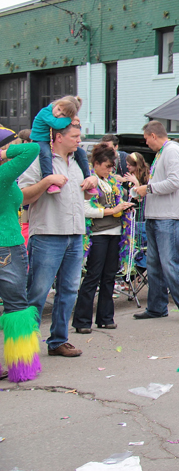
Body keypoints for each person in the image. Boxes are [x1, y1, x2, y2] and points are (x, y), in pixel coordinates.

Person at [19, 124, 88, 358]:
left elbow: (84, 195)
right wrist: (47, 180)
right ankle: (25, 345)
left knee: (68, 290)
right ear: (59, 137)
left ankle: (59, 340)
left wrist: (90, 187)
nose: (80, 140)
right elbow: (23, 194)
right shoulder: (39, 159)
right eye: (75, 136)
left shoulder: (78, 161)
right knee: (38, 292)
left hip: (75, 233)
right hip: (48, 233)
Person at [132, 121, 179, 324]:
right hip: (157, 215)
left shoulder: (171, 151)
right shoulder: (163, 152)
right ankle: (157, 306)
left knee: (169, 264)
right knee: (154, 264)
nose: (146, 143)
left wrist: (148, 188)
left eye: (146, 139)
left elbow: (175, 182)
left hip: (168, 216)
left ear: (153, 135)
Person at [72, 144, 134, 334]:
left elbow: (114, 205)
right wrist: (111, 211)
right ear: (96, 164)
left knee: (109, 277)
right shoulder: (90, 181)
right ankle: (82, 320)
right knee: (93, 276)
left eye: (111, 167)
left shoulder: (111, 182)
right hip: (98, 234)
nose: (109, 170)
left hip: (115, 233)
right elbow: (86, 209)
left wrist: (123, 208)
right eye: (107, 166)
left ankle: (106, 317)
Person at [0, 130, 42, 381]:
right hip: (7, 247)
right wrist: (5, 153)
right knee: (16, 307)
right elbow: (32, 149)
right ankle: (21, 366)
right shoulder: (3, 175)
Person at [29, 96, 93, 194]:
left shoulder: (59, 115)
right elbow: (56, 124)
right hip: (40, 140)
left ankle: (87, 178)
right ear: (57, 103)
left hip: (50, 139)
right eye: (58, 109)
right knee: (46, 154)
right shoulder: (45, 112)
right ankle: (49, 178)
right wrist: (70, 118)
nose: (58, 113)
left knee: (80, 152)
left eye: (63, 114)